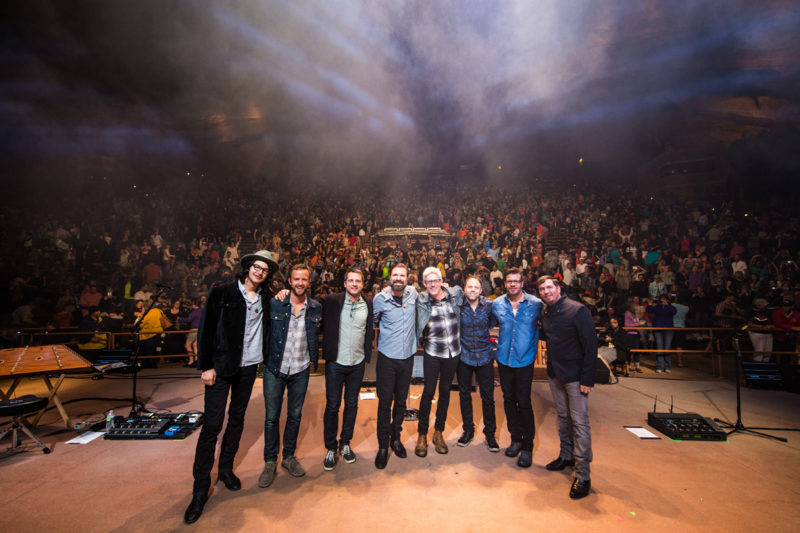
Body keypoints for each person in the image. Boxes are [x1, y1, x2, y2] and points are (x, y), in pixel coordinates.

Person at [183, 249, 278, 524]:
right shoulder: (222, 292)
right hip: (220, 367)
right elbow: (206, 330)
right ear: (247, 267)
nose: (260, 272)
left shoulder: (266, 297)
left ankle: (225, 469)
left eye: (265, 269)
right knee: (212, 425)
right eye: (256, 267)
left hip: (249, 367)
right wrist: (206, 366)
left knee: (237, 419)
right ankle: (200, 488)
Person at [258, 264, 322, 488]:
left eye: (304, 279)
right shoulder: (275, 303)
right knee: (271, 417)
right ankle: (269, 461)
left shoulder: (315, 308)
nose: (300, 283)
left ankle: (288, 457)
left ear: (309, 282)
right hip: (275, 368)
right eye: (296, 279)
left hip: (300, 369)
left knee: (295, 416)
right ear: (289, 281)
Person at [537, 275, 597, 500]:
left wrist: (588, 379)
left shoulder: (577, 310)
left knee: (580, 423)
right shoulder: (545, 312)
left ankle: (583, 475)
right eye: (542, 289)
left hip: (576, 376)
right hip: (555, 373)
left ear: (558, 287)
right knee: (563, 418)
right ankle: (566, 456)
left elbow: (591, 346)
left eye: (549, 287)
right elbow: (548, 336)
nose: (546, 291)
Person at [320, 268, 374, 470]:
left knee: (352, 405)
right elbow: (309, 304)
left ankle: (345, 443)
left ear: (362, 284)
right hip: (335, 363)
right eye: (350, 280)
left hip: (357, 363)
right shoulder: (332, 301)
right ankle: (331, 447)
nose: (354, 284)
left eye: (357, 281)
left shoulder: (368, 303)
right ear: (344, 283)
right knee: (332, 406)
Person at [491, 267, 543, 468]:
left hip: (524, 360)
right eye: (509, 281)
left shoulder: (536, 304)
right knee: (508, 399)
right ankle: (515, 439)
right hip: (504, 359)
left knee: (524, 401)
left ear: (522, 284)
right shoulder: (497, 304)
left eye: (516, 281)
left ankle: (527, 447)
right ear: (505, 284)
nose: (512, 284)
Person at [414, 266, 464, 457]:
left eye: (435, 280)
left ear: (442, 281)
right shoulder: (422, 300)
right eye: (428, 281)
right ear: (424, 284)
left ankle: (438, 433)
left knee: (445, 392)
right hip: (433, 352)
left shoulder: (455, 295)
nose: (432, 284)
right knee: (428, 392)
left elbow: (469, 292)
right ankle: (421, 435)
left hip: (453, 353)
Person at [372, 263, 418, 469]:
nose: (398, 278)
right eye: (395, 275)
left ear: (408, 278)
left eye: (402, 275)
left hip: (407, 358)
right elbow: (373, 321)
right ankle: (383, 446)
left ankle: (396, 439)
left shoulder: (414, 294)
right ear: (389, 278)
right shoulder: (380, 299)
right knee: (384, 403)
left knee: (401, 402)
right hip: (387, 359)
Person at [457, 275, 499, 452]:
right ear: (464, 289)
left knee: (488, 398)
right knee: (464, 395)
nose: (472, 290)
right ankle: (468, 430)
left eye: (476, 287)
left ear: (481, 290)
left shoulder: (489, 306)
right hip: (464, 356)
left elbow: (495, 323)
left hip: (484, 357)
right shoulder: (458, 306)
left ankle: (490, 434)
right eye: (469, 286)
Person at [646, 296, 677, 373]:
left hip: (668, 329)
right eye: (661, 299)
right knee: (659, 348)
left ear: (667, 300)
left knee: (667, 348)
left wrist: (667, 305)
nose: (663, 300)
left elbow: (674, 312)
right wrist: (650, 304)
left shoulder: (670, 307)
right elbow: (649, 310)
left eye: (665, 299)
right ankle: (659, 366)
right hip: (658, 329)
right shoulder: (657, 307)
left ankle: (667, 366)